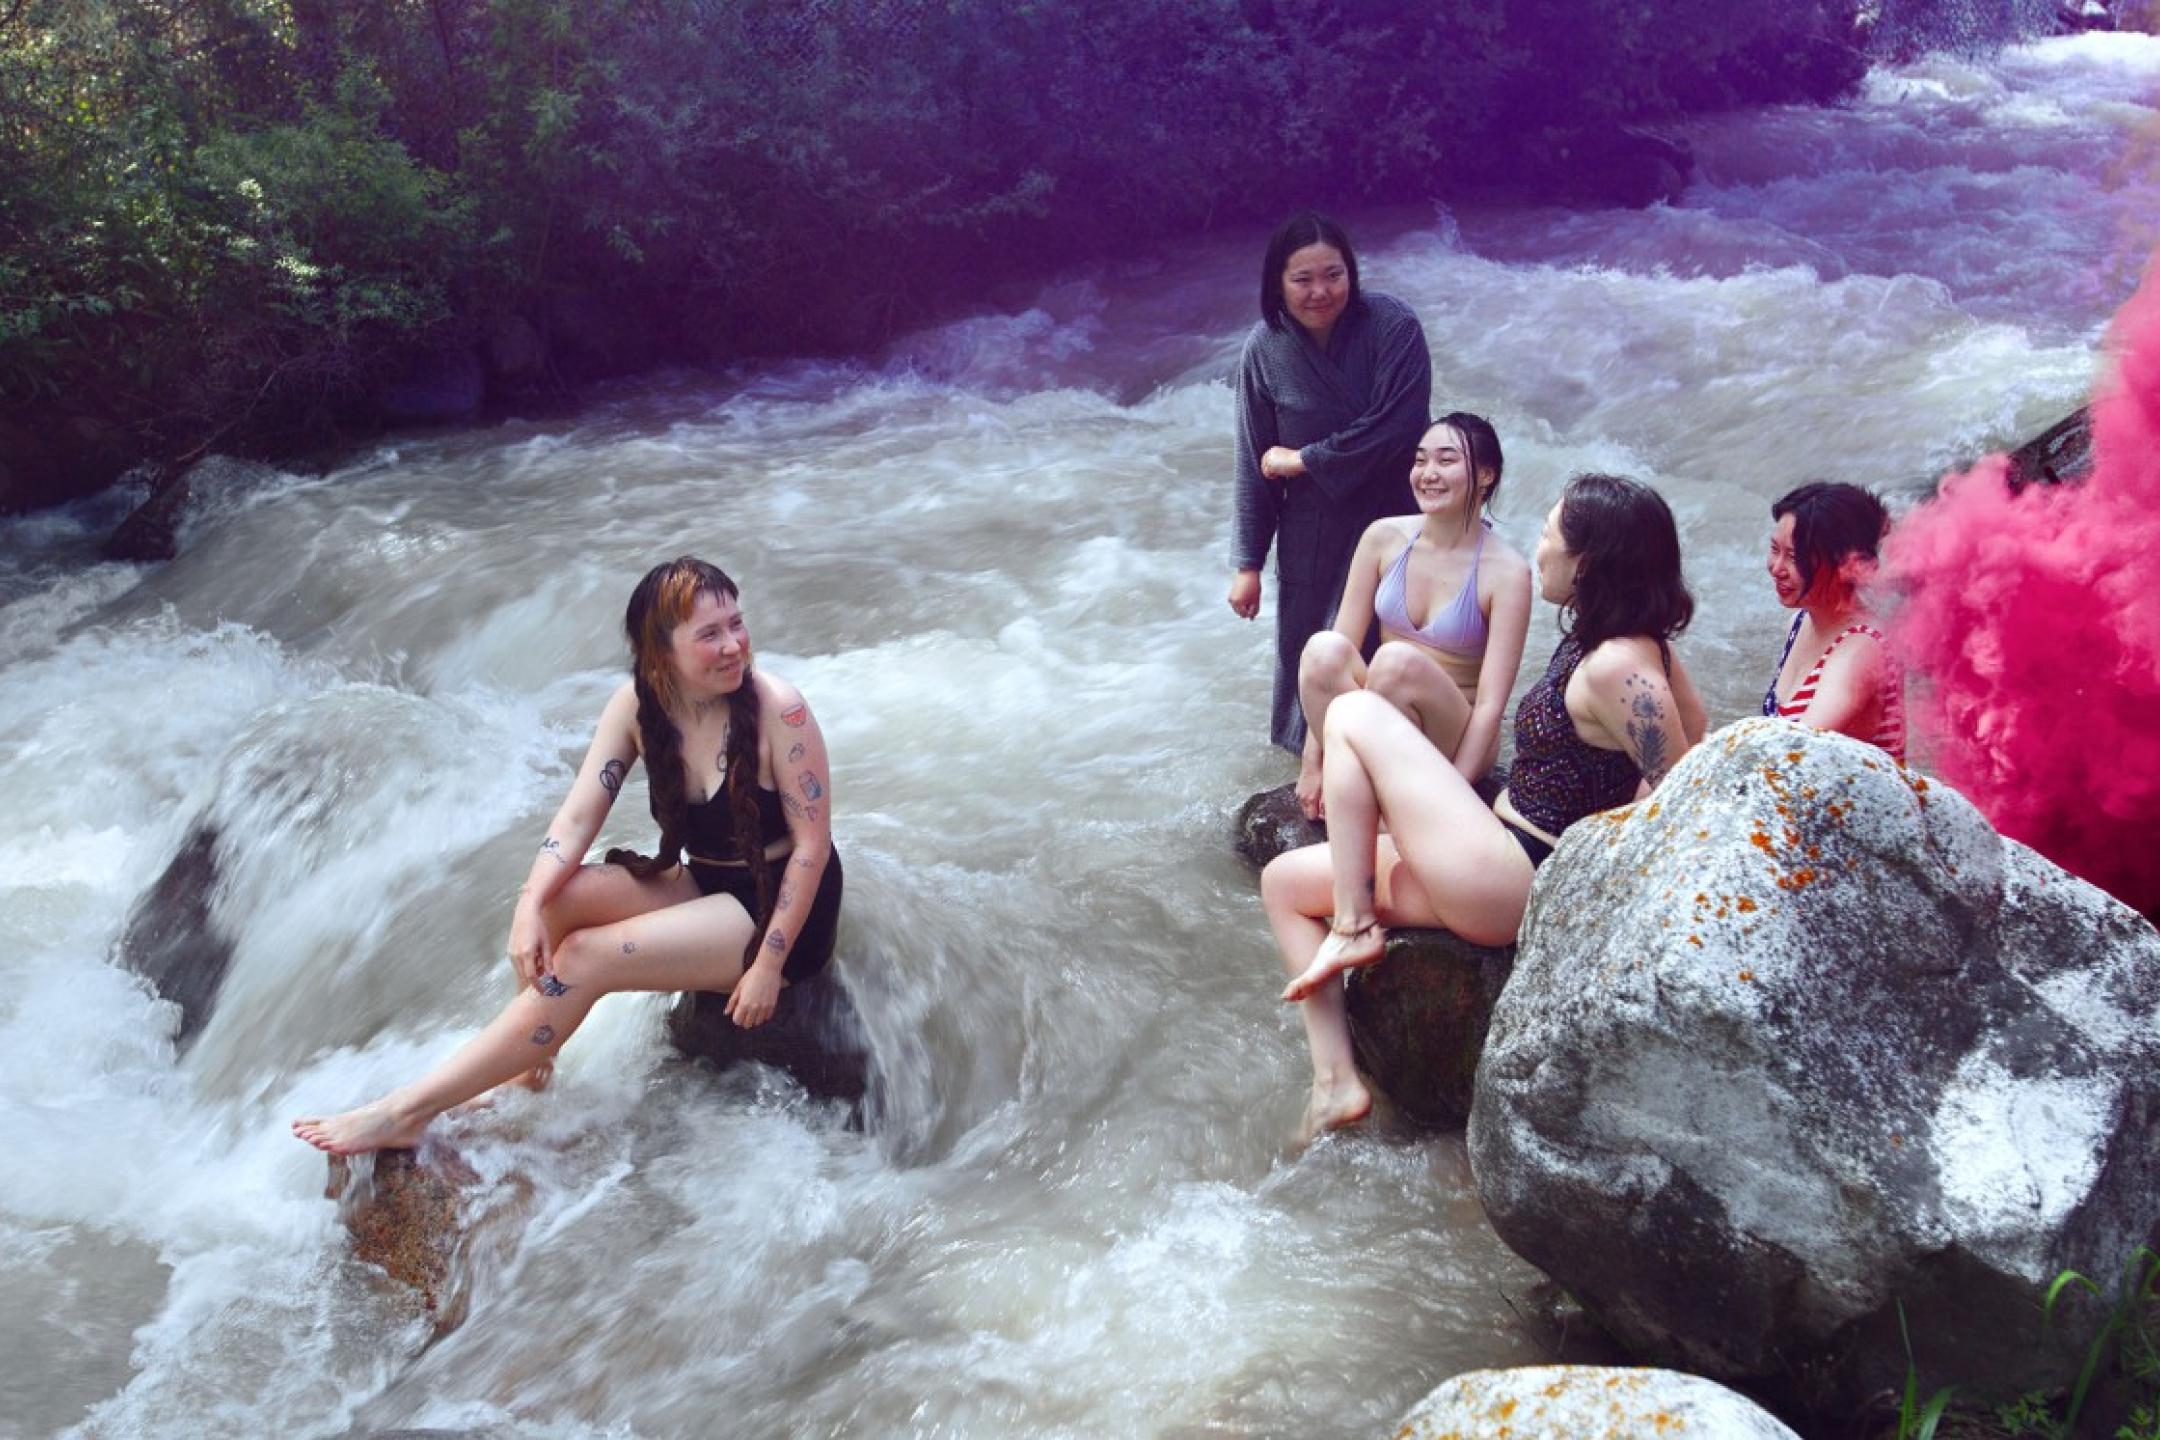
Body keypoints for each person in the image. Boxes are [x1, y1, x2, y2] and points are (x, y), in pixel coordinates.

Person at [293, 557, 843, 1155]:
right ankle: (529, 1068)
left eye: (737, 624)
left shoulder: (779, 710)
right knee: (560, 902)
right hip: (709, 881)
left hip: (783, 910)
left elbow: (811, 849)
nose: (735, 645)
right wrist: (529, 905)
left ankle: (407, 1111)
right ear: (661, 653)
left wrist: (767, 966)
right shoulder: (638, 705)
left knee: (587, 956)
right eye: (710, 635)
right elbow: (580, 815)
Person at [1261, 474, 1706, 1139]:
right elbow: (1700, 744)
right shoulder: (1632, 646)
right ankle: (1337, 1084)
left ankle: (1354, 926)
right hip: (1497, 850)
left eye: (1551, 534)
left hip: (1515, 876)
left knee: (1353, 710)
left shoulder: (1620, 665)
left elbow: (1682, 791)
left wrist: (1596, 881)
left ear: (1587, 563)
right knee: (1284, 884)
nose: (1539, 547)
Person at [1228, 211, 1433, 753]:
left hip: (1396, 518)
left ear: (1352, 273)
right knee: (1310, 657)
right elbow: (1255, 462)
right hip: (1312, 529)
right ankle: (1306, 775)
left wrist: (1306, 459)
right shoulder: (1264, 349)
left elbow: (1401, 425)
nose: (1320, 291)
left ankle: (1402, 768)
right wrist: (1248, 564)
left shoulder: (1393, 326)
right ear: (1278, 282)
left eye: (1334, 274)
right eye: (1302, 279)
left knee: (1393, 656)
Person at [1293, 413, 1532, 819]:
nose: (1428, 474)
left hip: (1453, 731)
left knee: (1393, 661)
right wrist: (1311, 764)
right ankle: (1351, 775)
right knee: (1322, 650)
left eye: (1445, 460)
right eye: (1420, 461)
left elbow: (1492, 705)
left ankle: (1389, 800)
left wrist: (1453, 795)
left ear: (1486, 475)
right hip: (1384, 710)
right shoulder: (1383, 538)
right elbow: (1343, 644)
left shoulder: (1508, 572)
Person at [1763, 481, 1905, 761]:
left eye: (1793, 557)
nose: (1776, 568)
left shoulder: (1863, 650)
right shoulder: (1800, 622)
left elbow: (1796, 750)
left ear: (1843, 564)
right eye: (1774, 549)